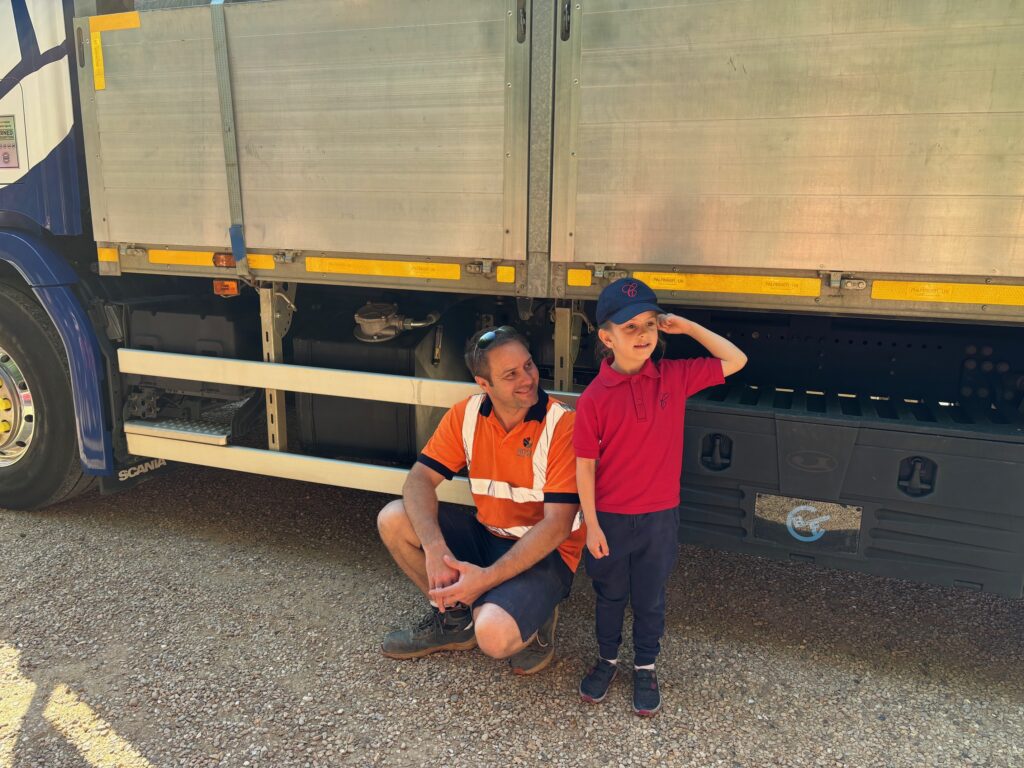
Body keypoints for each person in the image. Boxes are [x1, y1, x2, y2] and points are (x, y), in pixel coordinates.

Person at [574, 278, 747, 715]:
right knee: (610, 595)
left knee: (650, 596)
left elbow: (737, 359)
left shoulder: (674, 376)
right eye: (629, 327)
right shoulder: (594, 398)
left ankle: (646, 666)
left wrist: (687, 327)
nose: (643, 334)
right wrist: (591, 524)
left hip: (658, 519)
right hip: (610, 519)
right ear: (606, 337)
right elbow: (585, 466)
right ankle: (608, 659)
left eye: (650, 323)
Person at [377, 325, 584, 675]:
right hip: (487, 534)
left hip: (545, 554)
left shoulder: (561, 424)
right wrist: (434, 549)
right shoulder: (467, 414)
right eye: (511, 374)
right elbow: (418, 480)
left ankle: (535, 620)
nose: (528, 378)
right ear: (484, 384)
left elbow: (557, 525)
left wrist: (483, 580)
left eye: (529, 365)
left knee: (494, 636)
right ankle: (455, 623)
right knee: (393, 518)